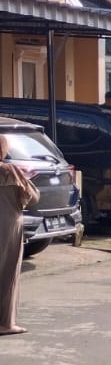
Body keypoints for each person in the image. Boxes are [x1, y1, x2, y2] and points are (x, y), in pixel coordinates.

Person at [0, 135, 39, 335]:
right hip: (7, 226)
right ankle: (6, 323)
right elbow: (33, 198)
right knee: (8, 273)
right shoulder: (10, 171)